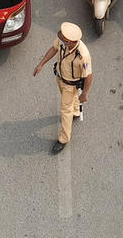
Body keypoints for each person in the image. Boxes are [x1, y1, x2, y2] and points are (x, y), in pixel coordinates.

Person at [33, 22, 94, 154]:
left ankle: (64, 139)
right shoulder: (62, 41)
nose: (60, 38)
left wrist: (85, 94)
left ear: (71, 42)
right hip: (60, 78)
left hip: (71, 85)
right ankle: (76, 112)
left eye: (63, 39)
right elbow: (53, 49)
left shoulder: (83, 55)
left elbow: (88, 76)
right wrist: (41, 64)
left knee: (65, 110)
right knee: (71, 103)